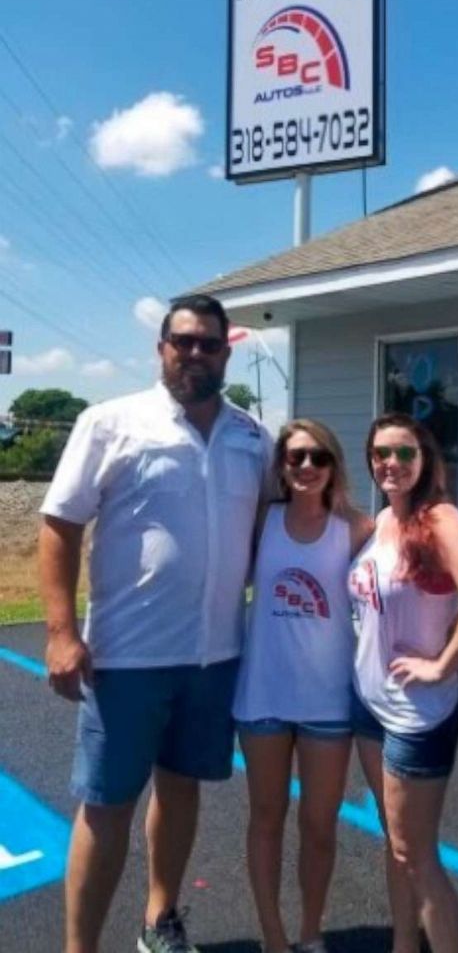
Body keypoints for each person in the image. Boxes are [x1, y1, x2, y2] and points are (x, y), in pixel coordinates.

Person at [39, 294, 273, 953]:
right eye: (183, 341)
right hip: (125, 659)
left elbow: (281, 525)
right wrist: (60, 632)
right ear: (161, 348)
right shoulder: (110, 423)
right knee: (107, 806)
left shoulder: (253, 437)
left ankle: (159, 921)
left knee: (181, 788)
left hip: (215, 656)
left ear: (228, 351)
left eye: (208, 343)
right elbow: (59, 525)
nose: (194, 353)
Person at [349, 413, 458, 953]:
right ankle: (402, 944)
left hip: (418, 712)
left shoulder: (439, 519)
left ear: (425, 458)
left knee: (417, 852)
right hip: (368, 704)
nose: (391, 462)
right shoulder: (382, 523)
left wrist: (443, 664)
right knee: (396, 844)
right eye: (381, 453)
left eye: (405, 452)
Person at [234, 418, 372, 953]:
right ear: (282, 468)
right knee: (266, 818)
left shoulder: (358, 529)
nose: (308, 467)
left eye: (319, 457)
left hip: (328, 704)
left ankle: (311, 932)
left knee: (319, 825)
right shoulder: (260, 523)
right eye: (296, 458)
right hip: (263, 696)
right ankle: (273, 937)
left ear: (335, 464)